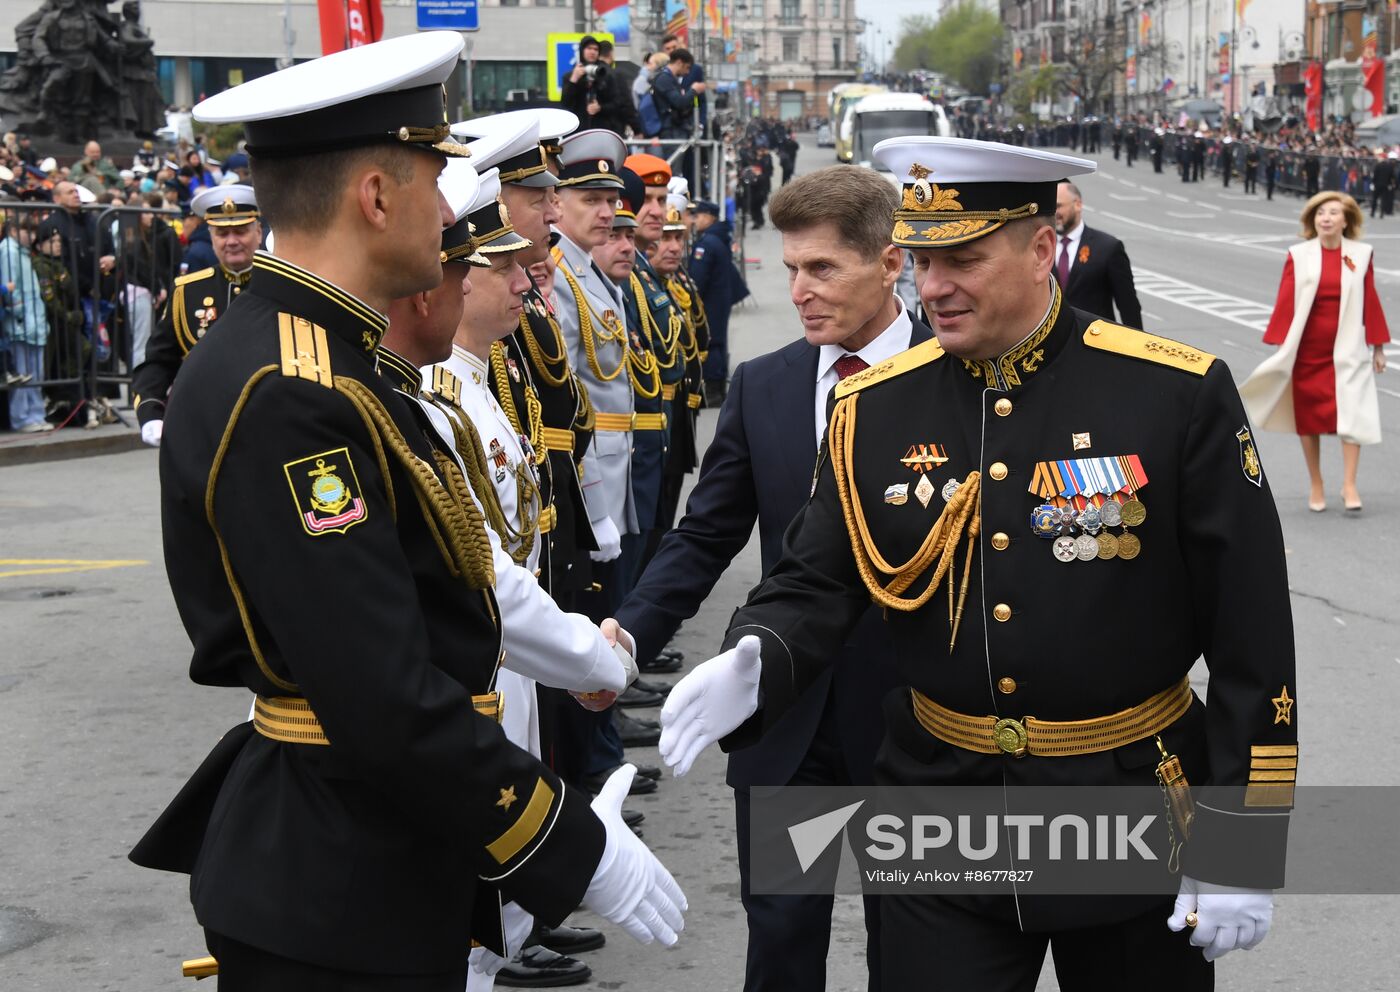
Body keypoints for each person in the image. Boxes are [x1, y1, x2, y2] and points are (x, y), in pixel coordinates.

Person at [661, 136, 1297, 990]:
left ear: (1042, 248)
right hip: (940, 805)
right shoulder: (874, 403)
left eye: (962, 257)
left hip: (1127, 805)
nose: (932, 286)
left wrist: (1243, 833)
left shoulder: (1172, 394)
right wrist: (759, 653)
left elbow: (1252, 634)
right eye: (922, 260)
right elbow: (817, 575)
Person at [125, 33, 684, 989]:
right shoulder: (297, 389)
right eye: (435, 178)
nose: (451, 205)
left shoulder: (332, 360)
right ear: (377, 197)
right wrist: (562, 841)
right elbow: (381, 694)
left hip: (364, 852)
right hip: (336, 870)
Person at [619, 165, 926, 992]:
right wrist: (626, 636)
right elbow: (706, 533)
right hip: (789, 720)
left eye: (822, 268)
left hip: (918, 726)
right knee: (785, 943)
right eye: (790, 268)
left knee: (918, 947)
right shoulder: (767, 385)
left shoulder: (957, 379)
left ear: (891, 262)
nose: (798, 291)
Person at [1241, 190, 1389, 513]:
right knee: (1309, 420)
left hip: (1349, 348)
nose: (1326, 218)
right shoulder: (1299, 254)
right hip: (1308, 351)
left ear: (1346, 220)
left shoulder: (1361, 254)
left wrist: (1378, 346)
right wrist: (1284, 348)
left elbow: (1371, 300)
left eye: (1333, 213)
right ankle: (1316, 482)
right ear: (1313, 220)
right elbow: (1286, 299)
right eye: (1321, 213)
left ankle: (1349, 484)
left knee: (1352, 414)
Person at [131, 183, 260, 446]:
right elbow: (158, 359)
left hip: (269, 425)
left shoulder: (283, 284)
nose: (232, 241)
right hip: (204, 429)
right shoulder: (187, 291)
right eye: (222, 233)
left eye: (241, 231)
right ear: (211, 237)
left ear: (258, 232)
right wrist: (151, 411)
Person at [1053, 181, 1143, 329]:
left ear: (1077, 205)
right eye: (1051, 207)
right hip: (1052, 346)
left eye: (1058, 206)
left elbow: (1128, 305)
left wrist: (1138, 345)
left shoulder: (1108, 248)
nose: (1054, 213)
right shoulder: (1040, 247)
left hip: (1094, 342)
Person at [691, 200, 747, 404]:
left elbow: (697, 278)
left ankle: (714, 390)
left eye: (698, 216)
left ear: (709, 217)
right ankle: (718, 388)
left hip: (711, 300)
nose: (695, 220)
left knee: (711, 341)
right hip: (720, 298)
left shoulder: (707, 243)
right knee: (718, 341)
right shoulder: (717, 237)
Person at [0, 211, 51, 432]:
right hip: (21, 321)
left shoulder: (21, 252)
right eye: (26, 230)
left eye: (33, 231)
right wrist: (18, 312)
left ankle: (35, 413)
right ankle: (22, 417)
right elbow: (10, 287)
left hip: (32, 319)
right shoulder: (8, 252)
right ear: (13, 231)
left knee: (34, 371)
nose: (31, 236)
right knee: (23, 372)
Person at [560, 36, 626, 137]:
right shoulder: (570, 76)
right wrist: (574, 80)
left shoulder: (606, 75)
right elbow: (566, 103)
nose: (592, 52)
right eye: (589, 48)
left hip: (601, 131)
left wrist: (600, 107)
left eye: (596, 49)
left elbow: (617, 103)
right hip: (578, 132)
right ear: (582, 50)